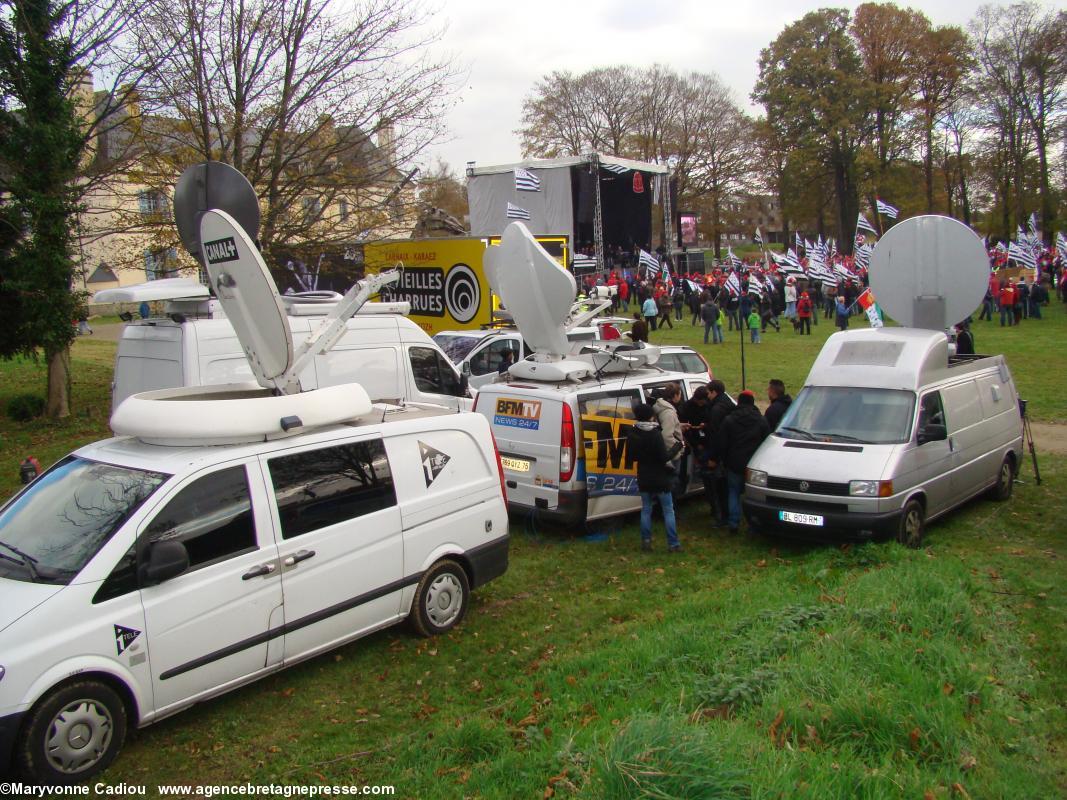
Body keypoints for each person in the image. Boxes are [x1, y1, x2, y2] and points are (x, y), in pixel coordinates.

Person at [627, 403, 682, 552]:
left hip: (643, 476)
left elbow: (630, 457)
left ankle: (646, 541)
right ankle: (673, 543)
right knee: (668, 510)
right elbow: (664, 457)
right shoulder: (655, 434)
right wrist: (677, 446)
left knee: (646, 509)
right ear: (651, 416)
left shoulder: (632, 433)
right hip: (660, 477)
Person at [715, 390, 770, 534]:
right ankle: (753, 524)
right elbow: (767, 442)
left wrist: (724, 460)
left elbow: (721, 443)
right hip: (753, 464)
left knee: (733, 492)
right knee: (751, 495)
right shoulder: (760, 420)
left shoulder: (729, 420)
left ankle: (733, 523)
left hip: (734, 463)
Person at [653, 382, 685, 493]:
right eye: (680, 394)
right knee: (673, 483)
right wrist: (677, 450)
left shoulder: (660, 406)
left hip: (665, 453)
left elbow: (664, 426)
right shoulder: (669, 413)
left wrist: (678, 426)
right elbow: (666, 435)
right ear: (675, 395)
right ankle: (672, 509)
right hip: (672, 455)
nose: (680, 397)